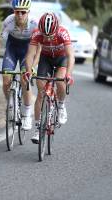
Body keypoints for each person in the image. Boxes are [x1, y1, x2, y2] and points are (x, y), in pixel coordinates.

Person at [24, 12, 74, 144]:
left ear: (56, 29)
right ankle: (38, 127)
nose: (48, 39)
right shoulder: (37, 34)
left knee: (60, 81)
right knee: (41, 93)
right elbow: (30, 55)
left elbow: (70, 56)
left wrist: (68, 74)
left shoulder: (63, 33)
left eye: (50, 36)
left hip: (61, 59)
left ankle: (61, 106)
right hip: (46, 59)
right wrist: (28, 71)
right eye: (45, 36)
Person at [0, 0, 39, 131]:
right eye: (17, 11)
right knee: (6, 79)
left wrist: (33, 66)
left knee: (25, 79)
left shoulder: (35, 24)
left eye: (23, 12)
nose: (20, 14)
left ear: (28, 12)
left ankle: (27, 113)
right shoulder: (8, 22)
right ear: (14, 11)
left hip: (27, 51)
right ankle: (11, 103)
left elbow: (39, 48)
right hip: (12, 48)